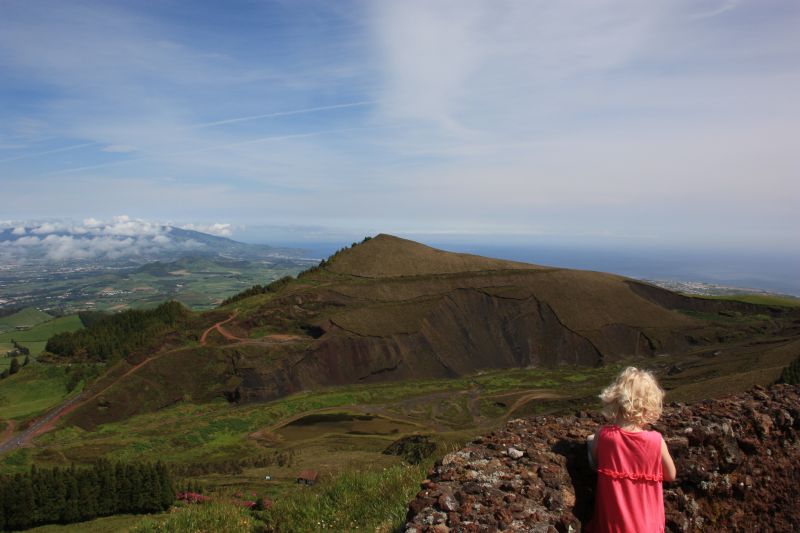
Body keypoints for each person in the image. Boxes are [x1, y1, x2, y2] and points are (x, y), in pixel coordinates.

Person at [585, 367, 676, 532]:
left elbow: (596, 462)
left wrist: (592, 441)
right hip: (649, 527)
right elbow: (671, 475)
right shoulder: (656, 441)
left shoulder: (604, 435)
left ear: (615, 399)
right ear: (650, 404)